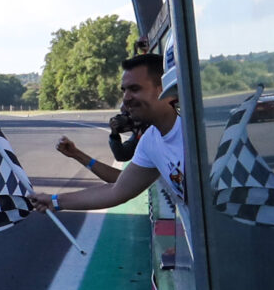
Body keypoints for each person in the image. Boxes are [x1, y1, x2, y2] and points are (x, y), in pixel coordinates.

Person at [32, 53, 184, 219]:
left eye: (135, 89)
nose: (125, 99)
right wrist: (54, 201)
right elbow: (117, 190)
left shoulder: (196, 133)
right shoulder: (150, 141)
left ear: (163, 89)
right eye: (124, 90)